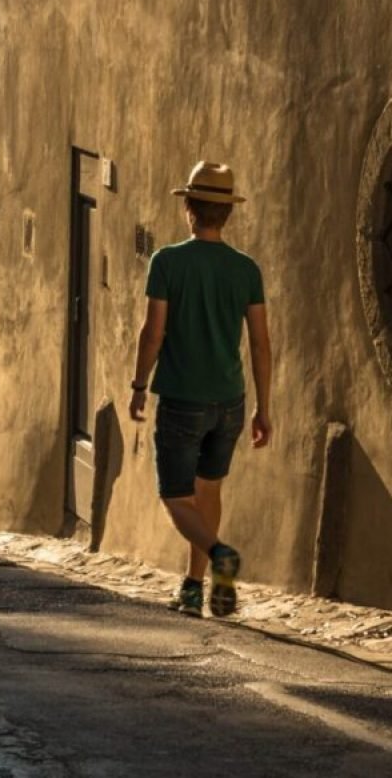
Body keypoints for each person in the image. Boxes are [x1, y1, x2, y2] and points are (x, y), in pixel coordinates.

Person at [129, 161, 272, 618]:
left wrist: (139, 384)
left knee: (175, 496)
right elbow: (261, 343)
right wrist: (264, 407)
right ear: (226, 214)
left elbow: (153, 332)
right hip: (230, 401)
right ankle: (194, 587)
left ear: (188, 208)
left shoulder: (167, 262)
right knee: (208, 491)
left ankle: (219, 554)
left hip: (182, 400)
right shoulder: (246, 270)